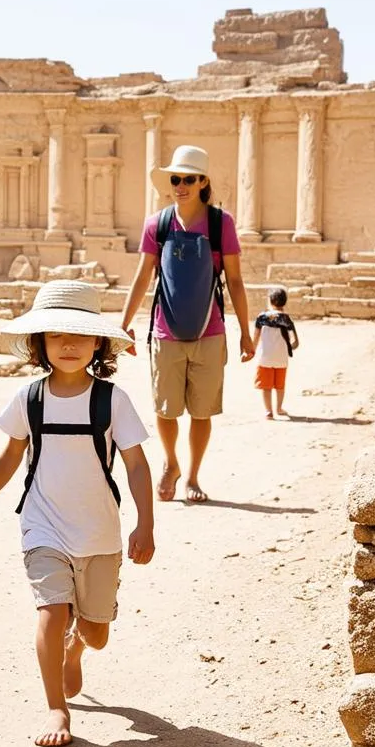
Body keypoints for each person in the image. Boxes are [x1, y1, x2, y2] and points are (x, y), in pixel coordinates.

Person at [0, 281, 155, 747]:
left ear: (98, 343)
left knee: (97, 632)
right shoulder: (30, 399)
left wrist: (145, 523)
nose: (68, 346)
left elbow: (136, 463)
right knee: (51, 610)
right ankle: (56, 707)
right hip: (42, 524)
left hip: (100, 531)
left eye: (80, 336)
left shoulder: (113, 400)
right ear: (40, 344)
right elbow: (9, 457)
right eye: (55, 336)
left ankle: (77, 648)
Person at [120, 146, 254, 504]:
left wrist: (245, 331)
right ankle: (171, 463)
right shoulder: (157, 224)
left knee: (202, 411)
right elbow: (142, 277)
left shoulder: (219, 224)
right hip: (165, 331)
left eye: (189, 179)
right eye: (176, 179)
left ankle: (193, 475)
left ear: (202, 182)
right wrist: (124, 324)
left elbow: (236, 281)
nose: (181, 185)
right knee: (165, 409)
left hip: (210, 332)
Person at [253, 286, 299, 420]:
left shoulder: (261, 317)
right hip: (281, 357)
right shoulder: (286, 319)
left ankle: (268, 411)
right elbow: (295, 341)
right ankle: (279, 408)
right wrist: (287, 348)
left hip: (264, 357)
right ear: (284, 302)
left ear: (270, 300)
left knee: (266, 386)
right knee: (280, 385)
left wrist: (251, 352)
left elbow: (255, 338)